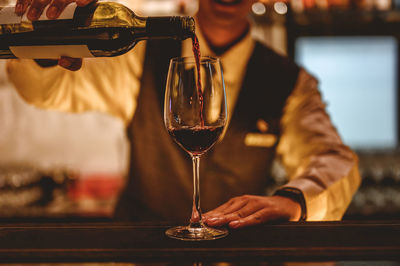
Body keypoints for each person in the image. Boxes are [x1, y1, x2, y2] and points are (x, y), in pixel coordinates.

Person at [6, 0, 360, 228]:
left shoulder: (289, 81)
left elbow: (333, 158)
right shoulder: (140, 55)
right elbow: (47, 91)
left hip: (233, 255)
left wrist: (294, 200)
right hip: (140, 254)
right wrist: (45, 48)